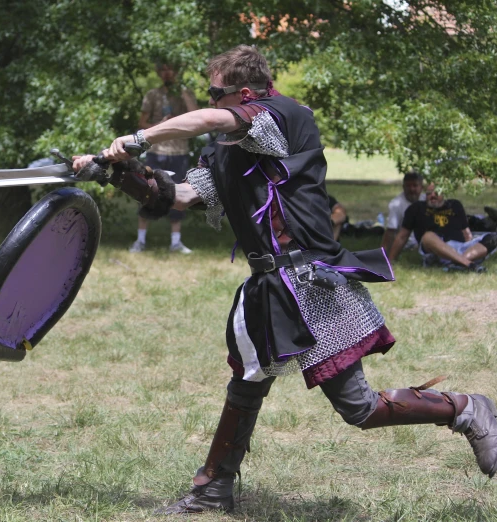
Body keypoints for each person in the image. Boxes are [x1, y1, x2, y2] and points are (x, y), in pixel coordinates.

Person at [73, 45, 497, 514]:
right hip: (269, 286)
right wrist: (114, 172)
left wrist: (138, 138)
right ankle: (212, 488)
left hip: (312, 283)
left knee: (358, 407)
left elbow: (208, 122)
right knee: (247, 383)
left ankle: (464, 408)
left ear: (245, 93)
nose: (209, 102)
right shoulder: (226, 149)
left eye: (216, 93)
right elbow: (183, 194)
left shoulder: (281, 118)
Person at [129, 62, 199, 254]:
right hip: (156, 152)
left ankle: (176, 242)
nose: (168, 73)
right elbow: (142, 123)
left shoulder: (186, 93)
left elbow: (196, 115)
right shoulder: (153, 95)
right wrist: (159, 124)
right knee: (148, 193)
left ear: (176, 71)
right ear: (159, 72)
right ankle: (140, 241)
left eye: (171, 69)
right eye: (164, 69)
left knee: (178, 194)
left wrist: (183, 91)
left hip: (179, 152)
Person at [389, 183, 497, 271]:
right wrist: (390, 261)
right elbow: (402, 236)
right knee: (428, 236)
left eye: (437, 192)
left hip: (460, 247)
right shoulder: (416, 208)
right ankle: (468, 264)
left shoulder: (455, 205)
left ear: (444, 193)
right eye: (428, 193)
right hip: (434, 251)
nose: (432, 195)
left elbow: (466, 233)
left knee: (493, 237)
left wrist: (472, 246)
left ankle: (457, 263)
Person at [380, 170, 425, 253]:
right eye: (408, 186)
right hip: (407, 245)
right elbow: (390, 231)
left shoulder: (426, 201)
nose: (412, 189)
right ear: (403, 187)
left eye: (415, 186)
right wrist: (383, 253)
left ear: (422, 187)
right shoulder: (396, 204)